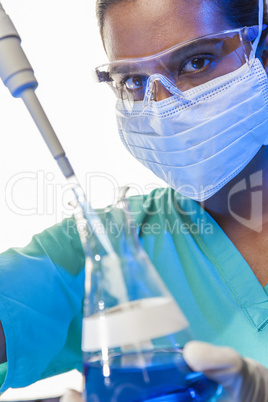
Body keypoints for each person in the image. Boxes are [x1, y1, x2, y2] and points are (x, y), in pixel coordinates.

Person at [1, 0, 268, 400]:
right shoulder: (104, 246)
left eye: (196, 62)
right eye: (133, 81)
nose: (160, 105)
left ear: (262, 51)